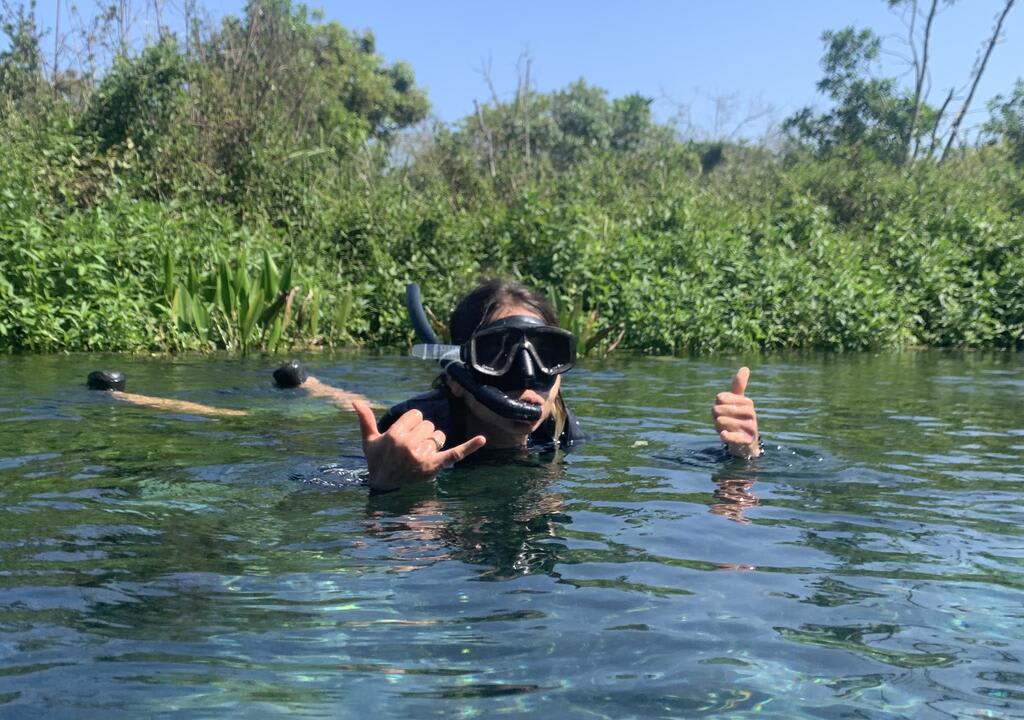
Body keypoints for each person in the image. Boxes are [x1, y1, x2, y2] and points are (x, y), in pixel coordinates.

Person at [353, 279, 762, 494]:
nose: (529, 377)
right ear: (458, 379)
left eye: (547, 353)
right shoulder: (415, 432)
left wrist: (742, 455)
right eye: (497, 355)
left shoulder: (560, 433)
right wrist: (387, 486)